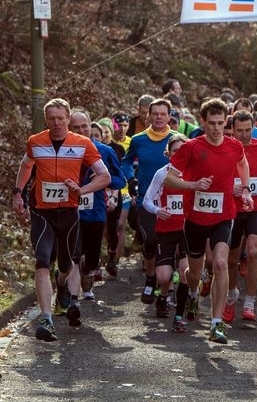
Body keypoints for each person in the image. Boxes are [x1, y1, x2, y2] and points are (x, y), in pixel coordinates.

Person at [13, 98, 112, 342]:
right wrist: (18, 193)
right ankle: (46, 318)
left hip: (68, 213)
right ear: (45, 120)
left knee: (67, 265)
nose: (56, 123)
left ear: (68, 119)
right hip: (41, 212)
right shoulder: (35, 142)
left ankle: (63, 284)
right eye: (52, 119)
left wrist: (82, 189)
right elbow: (26, 166)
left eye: (61, 118)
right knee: (42, 260)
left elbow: (105, 176)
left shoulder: (83, 144)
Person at [164, 98, 255, 344]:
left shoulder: (235, 146)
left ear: (226, 122)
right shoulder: (191, 147)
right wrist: (192, 185)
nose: (216, 128)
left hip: (224, 215)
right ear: (203, 122)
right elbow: (169, 180)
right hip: (194, 217)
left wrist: (245, 189)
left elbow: (243, 163)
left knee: (221, 263)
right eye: (211, 123)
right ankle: (192, 292)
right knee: (194, 272)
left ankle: (216, 324)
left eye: (220, 123)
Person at [224, 110, 257, 323]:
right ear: (232, 130)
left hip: (256, 206)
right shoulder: (226, 148)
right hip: (232, 208)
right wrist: (231, 188)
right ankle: (230, 296)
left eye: (248, 130)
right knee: (232, 258)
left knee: (254, 251)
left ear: (253, 127)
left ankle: (249, 302)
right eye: (240, 131)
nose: (244, 135)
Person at [68, 111, 126, 301]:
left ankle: (88, 271)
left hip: (95, 212)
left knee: (91, 258)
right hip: (71, 212)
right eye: (76, 127)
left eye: (84, 126)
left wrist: (104, 180)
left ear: (90, 126)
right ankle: (71, 297)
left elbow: (120, 180)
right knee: (73, 255)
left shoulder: (105, 151)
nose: (81, 130)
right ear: (69, 128)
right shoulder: (64, 151)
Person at [122, 98, 174, 305]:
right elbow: (125, 162)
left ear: (170, 116)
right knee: (150, 240)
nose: (159, 117)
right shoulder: (138, 139)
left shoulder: (178, 139)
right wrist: (131, 179)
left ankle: (167, 287)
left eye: (163, 114)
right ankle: (151, 277)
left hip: (172, 200)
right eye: (155, 114)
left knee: (171, 245)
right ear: (148, 116)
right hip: (146, 199)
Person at [141, 134, 191, 332]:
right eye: (175, 150)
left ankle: (181, 311)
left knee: (186, 273)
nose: (179, 154)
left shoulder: (193, 171)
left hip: (187, 230)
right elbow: (147, 200)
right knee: (163, 276)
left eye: (182, 150)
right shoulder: (162, 173)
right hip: (166, 229)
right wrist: (158, 210)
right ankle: (162, 296)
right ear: (168, 153)